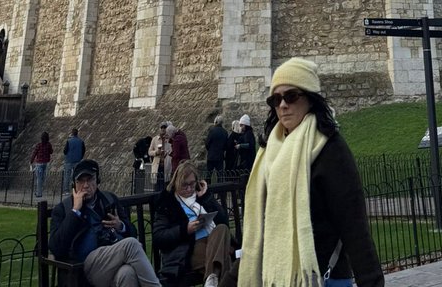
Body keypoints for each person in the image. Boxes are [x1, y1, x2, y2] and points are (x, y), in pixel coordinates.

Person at [236, 56, 383, 287]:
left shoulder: (330, 148)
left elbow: (354, 225)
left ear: (310, 98)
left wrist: (371, 282)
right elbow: (261, 230)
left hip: (325, 276)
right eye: (276, 99)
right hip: (275, 278)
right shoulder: (268, 152)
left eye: (291, 96)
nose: (283, 105)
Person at [50, 158, 161, 287]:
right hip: (84, 266)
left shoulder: (109, 200)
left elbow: (132, 232)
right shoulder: (64, 209)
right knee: (131, 245)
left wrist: (121, 226)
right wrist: (75, 211)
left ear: (97, 181)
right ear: (74, 184)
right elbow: (56, 247)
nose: (86, 185)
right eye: (81, 181)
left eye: (90, 179)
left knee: (127, 273)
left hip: (113, 259)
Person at [153, 160, 232, 287]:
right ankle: (213, 276)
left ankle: (211, 279)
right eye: (185, 185)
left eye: (192, 183)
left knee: (222, 228)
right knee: (227, 261)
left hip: (214, 243)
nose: (189, 188)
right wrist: (185, 229)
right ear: (176, 182)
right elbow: (159, 237)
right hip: (187, 250)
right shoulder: (168, 202)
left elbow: (223, 221)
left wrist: (206, 197)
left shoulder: (200, 197)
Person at [205, 116, 228, 183]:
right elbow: (226, 146)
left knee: (209, 175)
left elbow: (207, 143)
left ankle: (208, 190)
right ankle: (220, 192)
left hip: (211, 156)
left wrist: (210, 150)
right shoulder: (225, 132)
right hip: (220, 156)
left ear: (216, 122)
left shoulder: (212, 131)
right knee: (220, 176)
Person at [148, 122, 173, 188]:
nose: (163, 129)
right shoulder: (155, 139)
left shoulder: (170, 139)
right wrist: (156, 152)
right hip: (157, 165)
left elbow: (172, 150)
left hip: (167, 165)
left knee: (166, 185)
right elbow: (149, 152)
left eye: (164, 127)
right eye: (161, 127)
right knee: (157, 185)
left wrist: (167, 152)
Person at [31, 130, 53, 199]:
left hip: (39, 163)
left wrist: (31, 161)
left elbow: (34, 153)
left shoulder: (39, 145)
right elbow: (51, 152)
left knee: (39, 179)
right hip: (46, 163)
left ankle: (39, 192)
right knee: (43, 178)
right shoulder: (48, 144)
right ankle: (40, 190)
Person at [63, 127, 86, 194]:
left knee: (67, 176)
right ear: (77, 133)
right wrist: (80, 157)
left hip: (69, 160)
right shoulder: (81, 141)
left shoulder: (69, 141)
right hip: (78, 160)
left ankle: (66, 190)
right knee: (77, 176)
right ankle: (77, 189)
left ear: (72, 133)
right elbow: (83, 150)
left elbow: (65, 151)